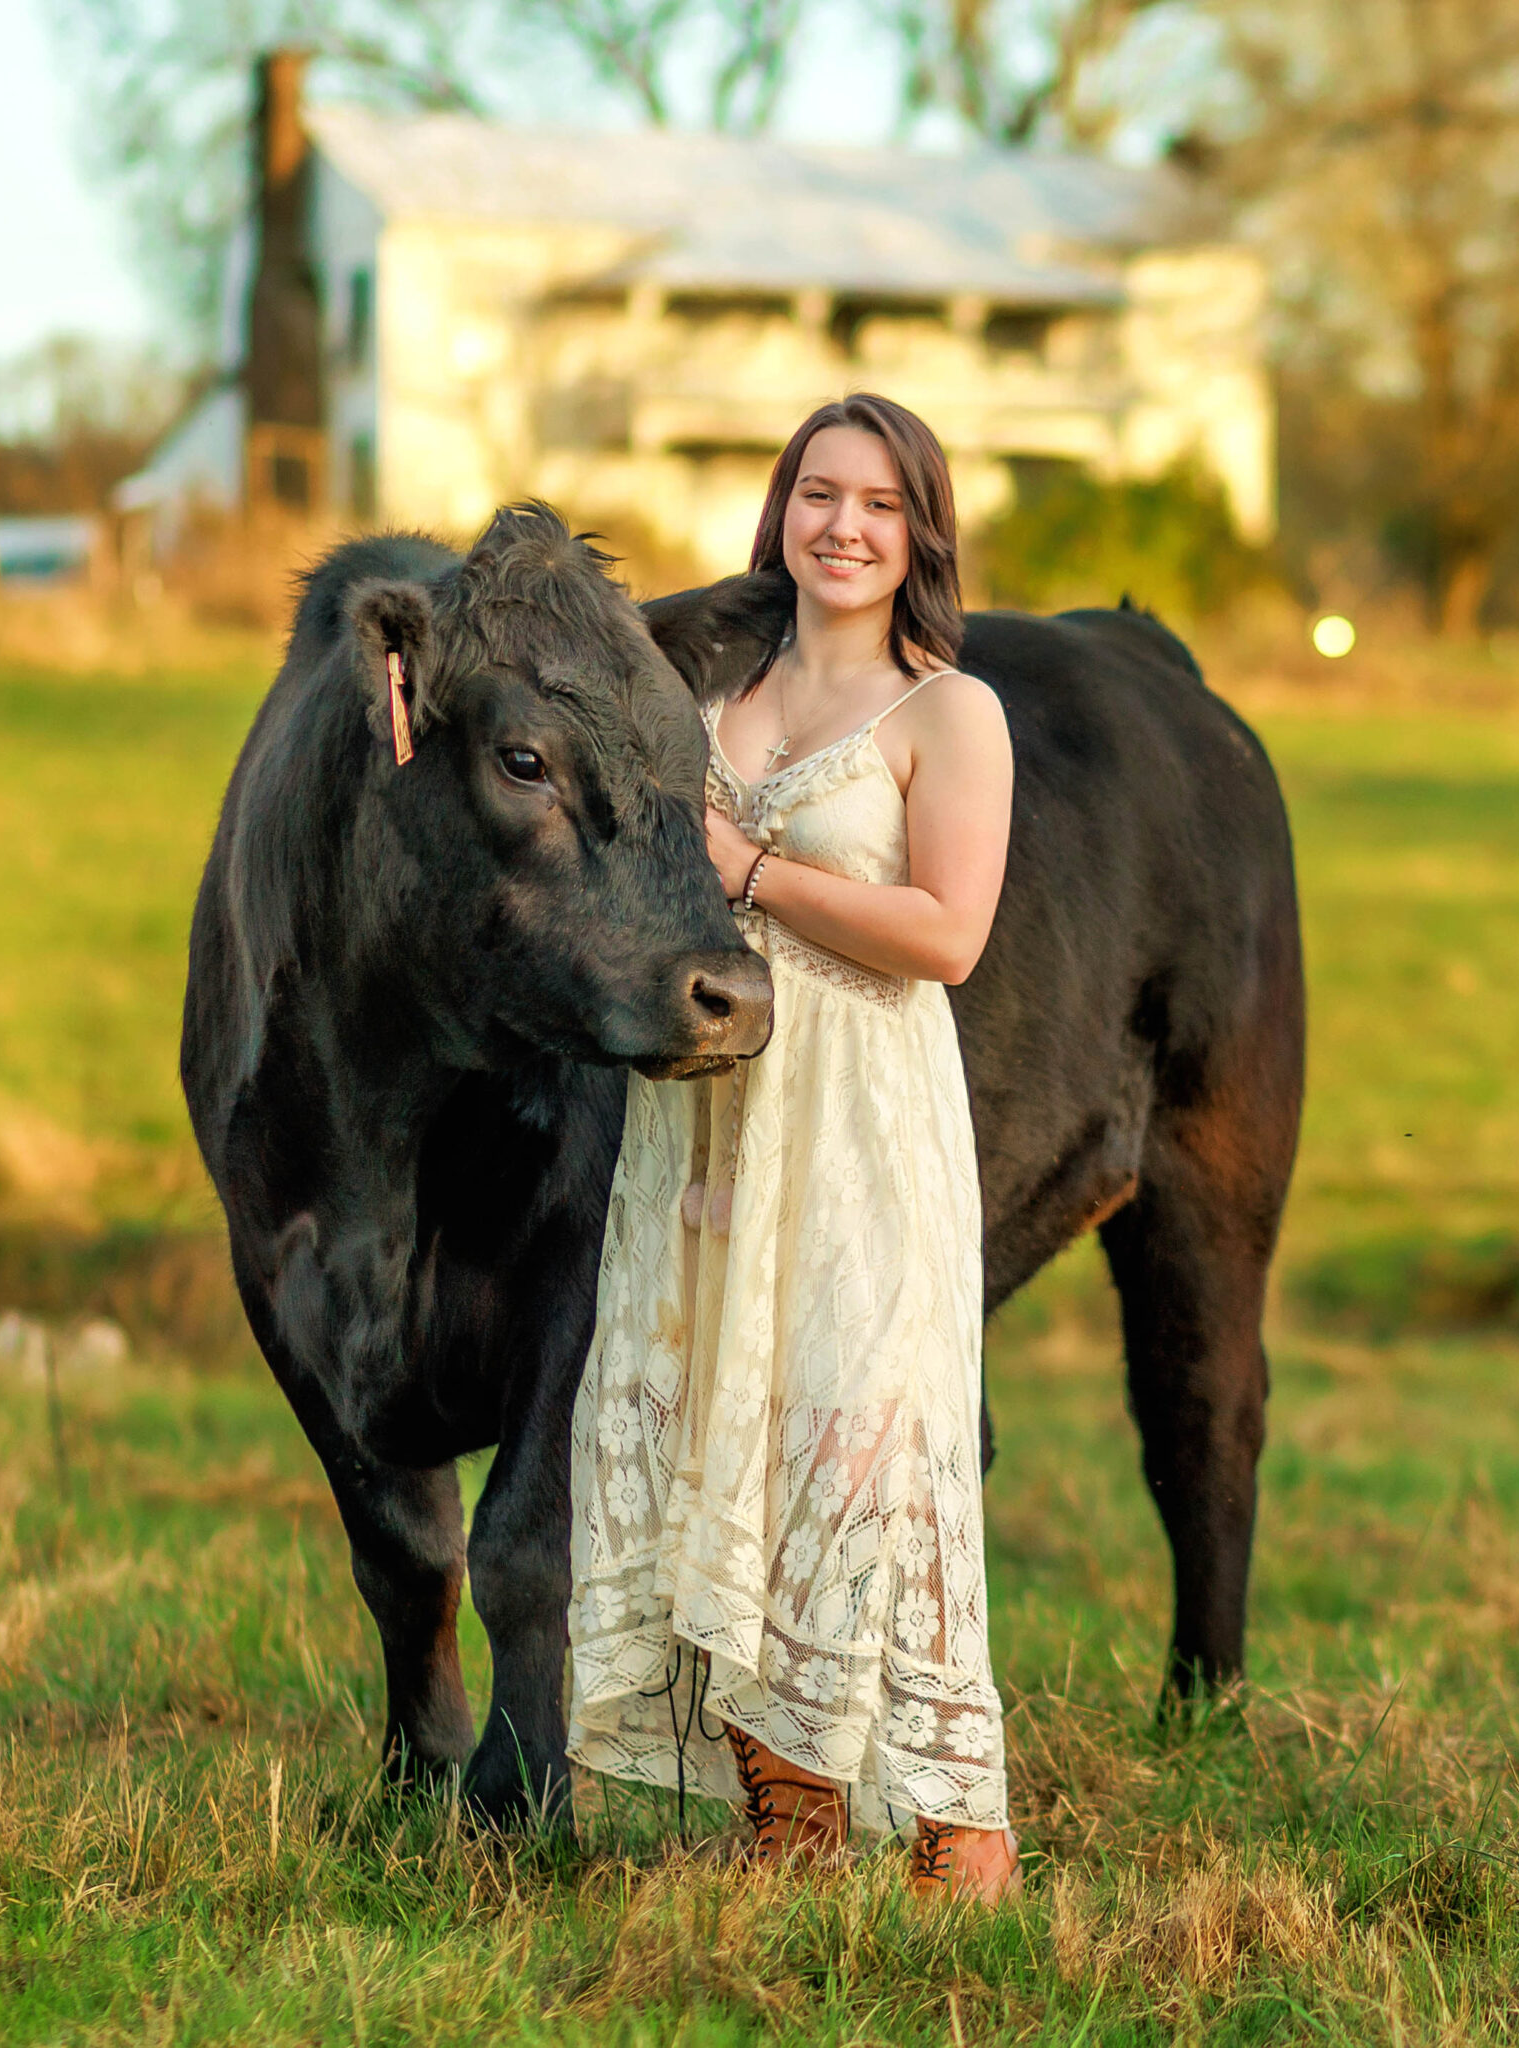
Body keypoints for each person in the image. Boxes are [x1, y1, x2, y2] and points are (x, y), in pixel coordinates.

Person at [567, 392, 1018, 1903]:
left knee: (855, 1446)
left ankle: (957, 1829)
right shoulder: (711, 706)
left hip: (862, 1131)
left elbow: (948, 935)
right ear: (782, 512)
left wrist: (750, 864)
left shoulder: (947, 712)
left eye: (880, 505)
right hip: (706, 1134)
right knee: (726, 1439)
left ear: (919, 533)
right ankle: (793, 1823)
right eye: (820, 495)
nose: (843, 526)